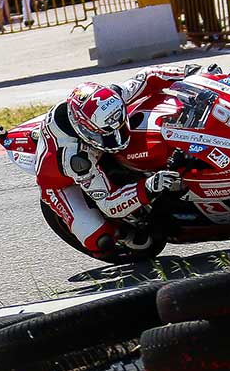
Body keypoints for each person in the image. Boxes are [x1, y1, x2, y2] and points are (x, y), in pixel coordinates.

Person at [35, 65, 205, 259]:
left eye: (120, 127)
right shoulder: (76, 159)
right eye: (107, 135)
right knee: (99, 240)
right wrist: (149, 186)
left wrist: (188, 73)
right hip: (60, 184)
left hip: (96, 150)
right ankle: (124, 234)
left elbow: (148, 77)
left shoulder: (108, 101)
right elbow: (109, 203)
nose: (117, 138)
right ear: (84, 131)